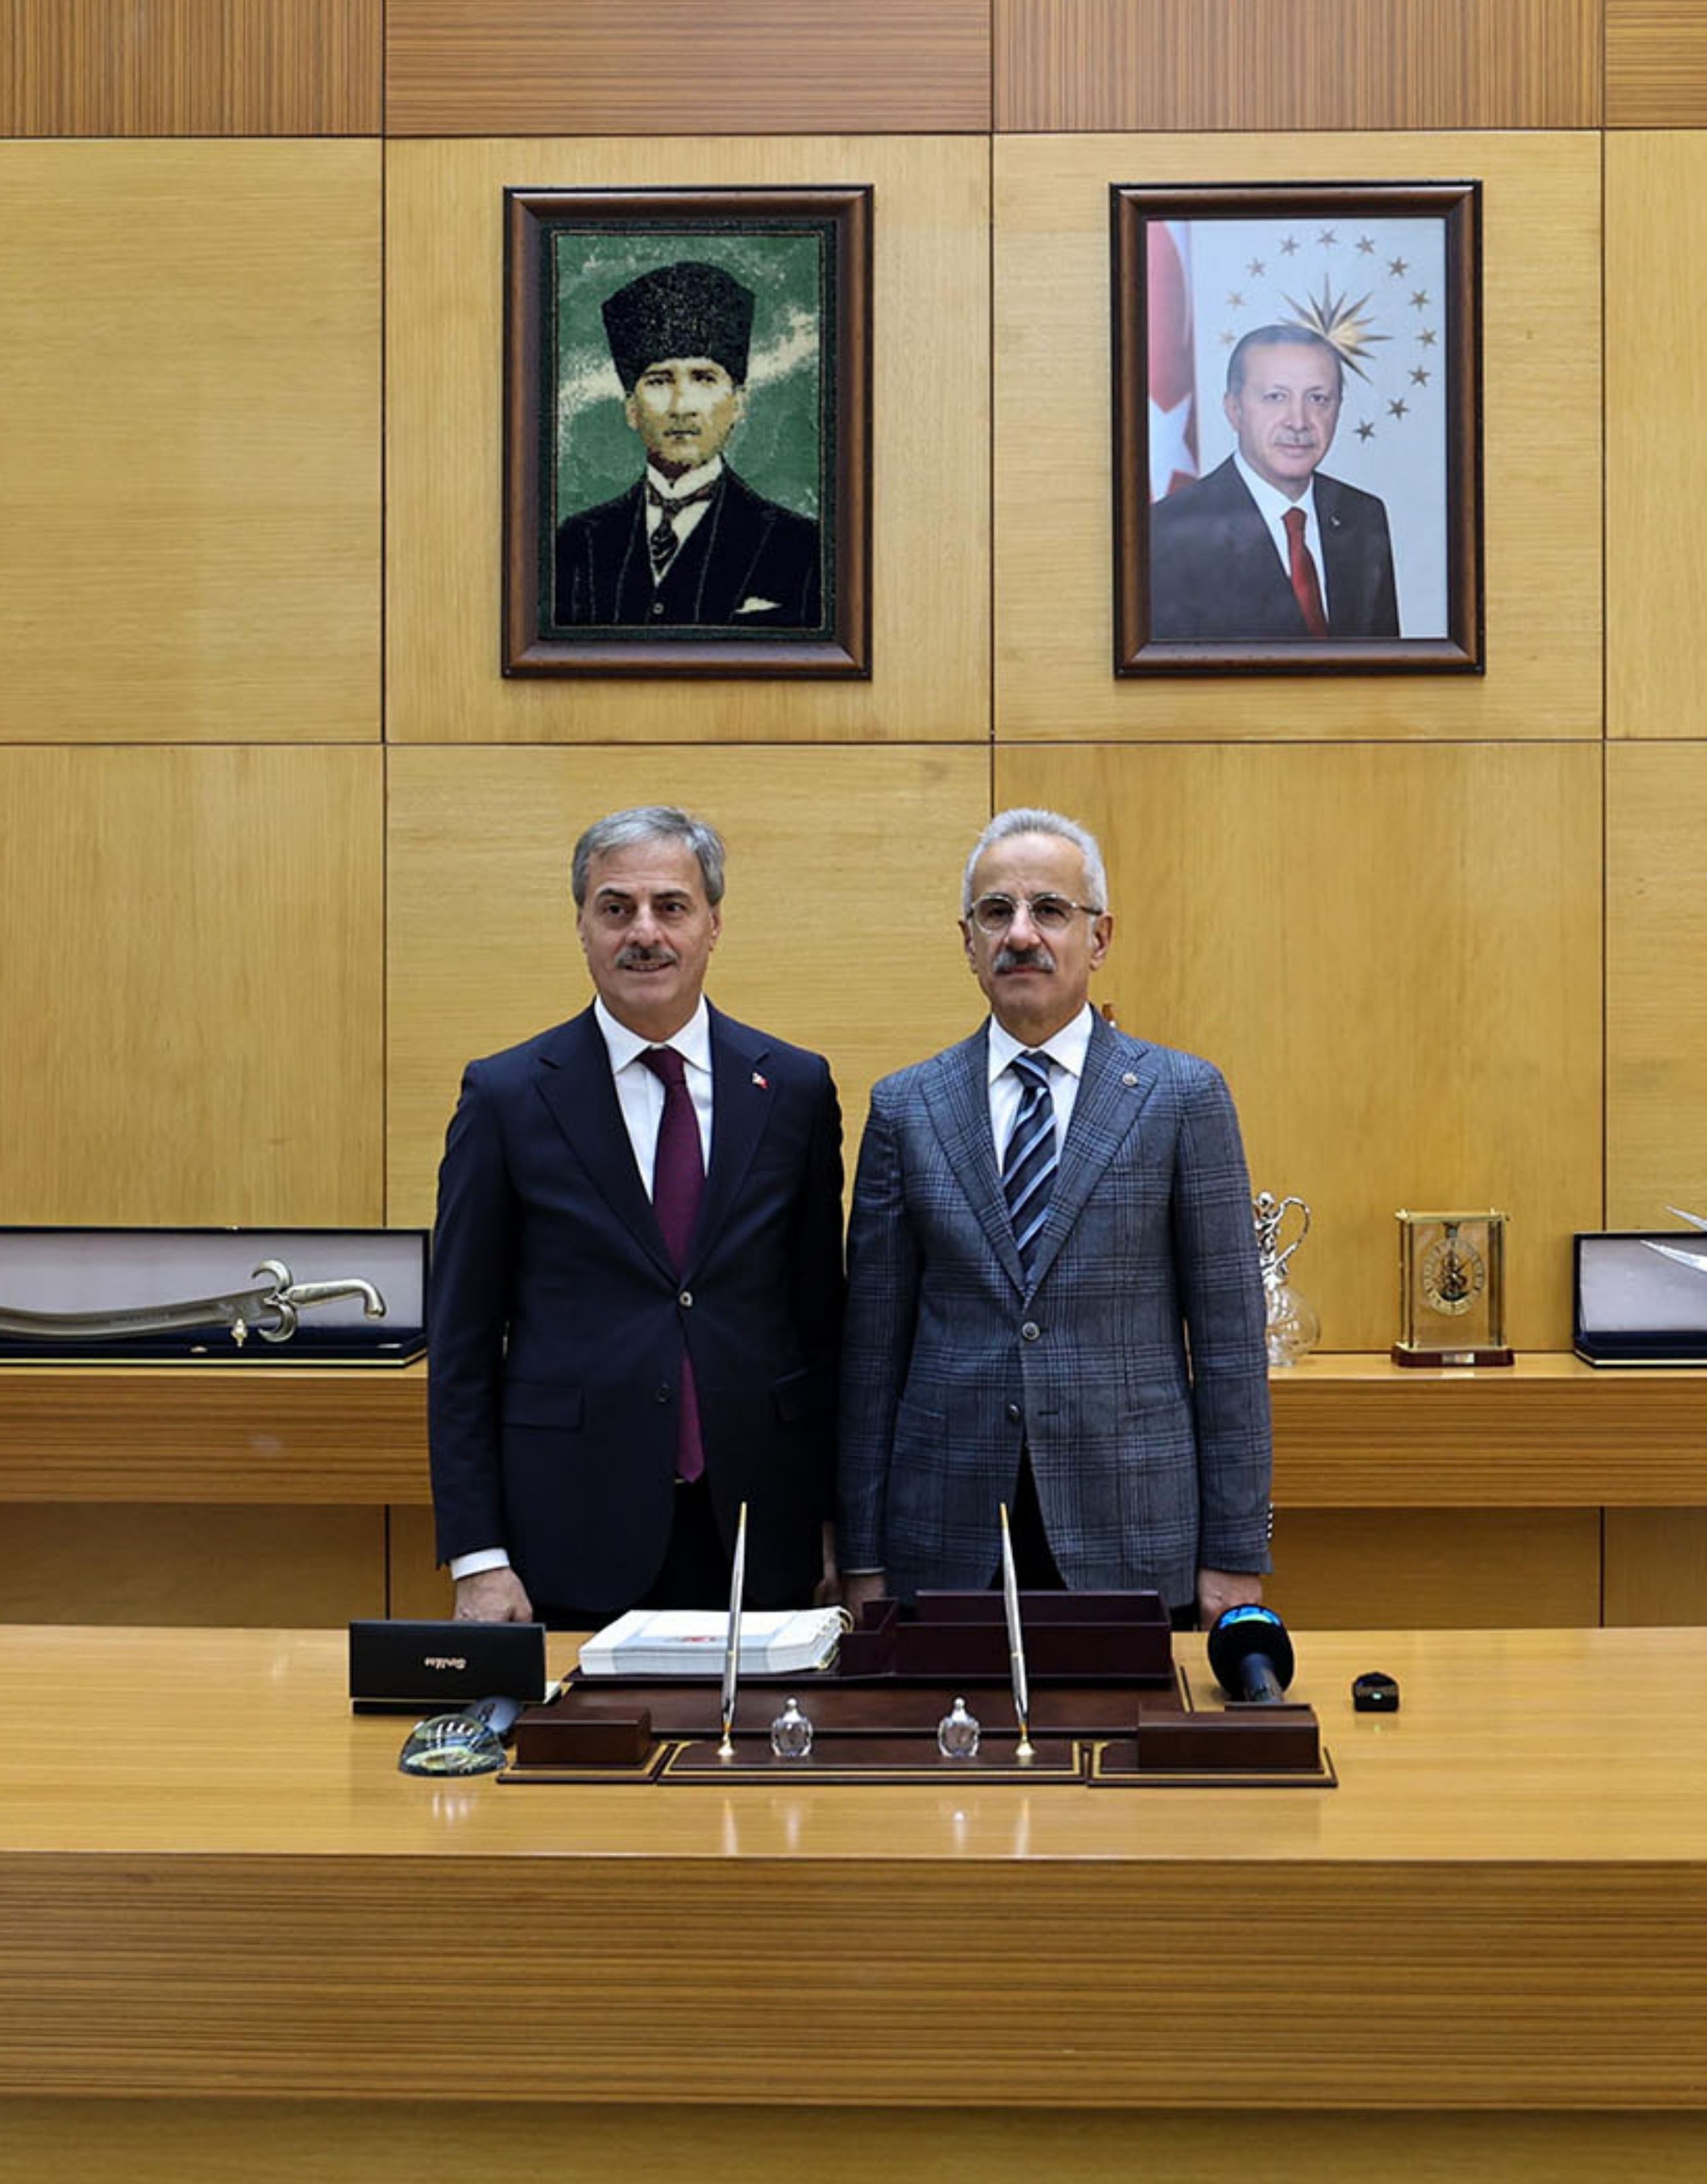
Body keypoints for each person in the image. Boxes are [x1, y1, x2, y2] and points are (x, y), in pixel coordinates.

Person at [837, 808, 1272, 1630]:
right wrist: (863, 1556)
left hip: (1135, 1531)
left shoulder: (1183, 1096)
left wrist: (1236, 1552)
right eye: (996, 913)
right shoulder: (906, 1107)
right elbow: (872, 1356)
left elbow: (1228, 1346)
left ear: (1099, 939)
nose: (1021, 934)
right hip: (946, 1534)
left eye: (1050, 911)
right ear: (968, 942)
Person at [428, 806, 844, 1626]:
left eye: (671, 907)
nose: (643, 932)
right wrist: (479, 1558)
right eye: (616, 908)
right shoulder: (508, 1097)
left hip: (761, 1537)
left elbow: (822, 1329)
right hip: (572, 1533)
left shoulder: (793, 1089)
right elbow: (463, 1343)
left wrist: (837, 1526)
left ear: (713, 925)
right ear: (582, 926)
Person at [552, 261, 823, 630]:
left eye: (704, 378)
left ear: (738, 403)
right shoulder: (576, 543)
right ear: (632, 409)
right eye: (660, 381)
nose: (681, 407)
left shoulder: (802, 547)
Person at [1148, 322, 1400, 643]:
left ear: (1338, 410)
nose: (1298, 421)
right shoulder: (1171, 532)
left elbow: (1386, 676)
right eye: (1276, 397)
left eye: (1318, 399)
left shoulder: (1363, 516)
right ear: (1234, 410)